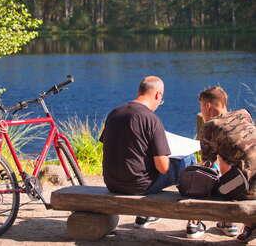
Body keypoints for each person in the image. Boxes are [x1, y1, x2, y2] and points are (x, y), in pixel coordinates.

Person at [100, 75, 196, 228]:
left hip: (111, 183)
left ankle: (145, 214)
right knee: (189, 160)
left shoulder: (114, 113)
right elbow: (163, 168)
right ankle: (194, 221)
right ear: (158, 95)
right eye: (161, 100)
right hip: (138, 186)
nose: (159, 103)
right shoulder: (151, 119)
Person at [194, 86, 256, 242]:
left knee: (213, 187)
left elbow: (207, 166)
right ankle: (250, 226)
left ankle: (225, 221)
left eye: (201, 106)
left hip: (249, 190)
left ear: (207, 106)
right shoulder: (244, 113)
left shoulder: (209, 127)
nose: (201, 111)